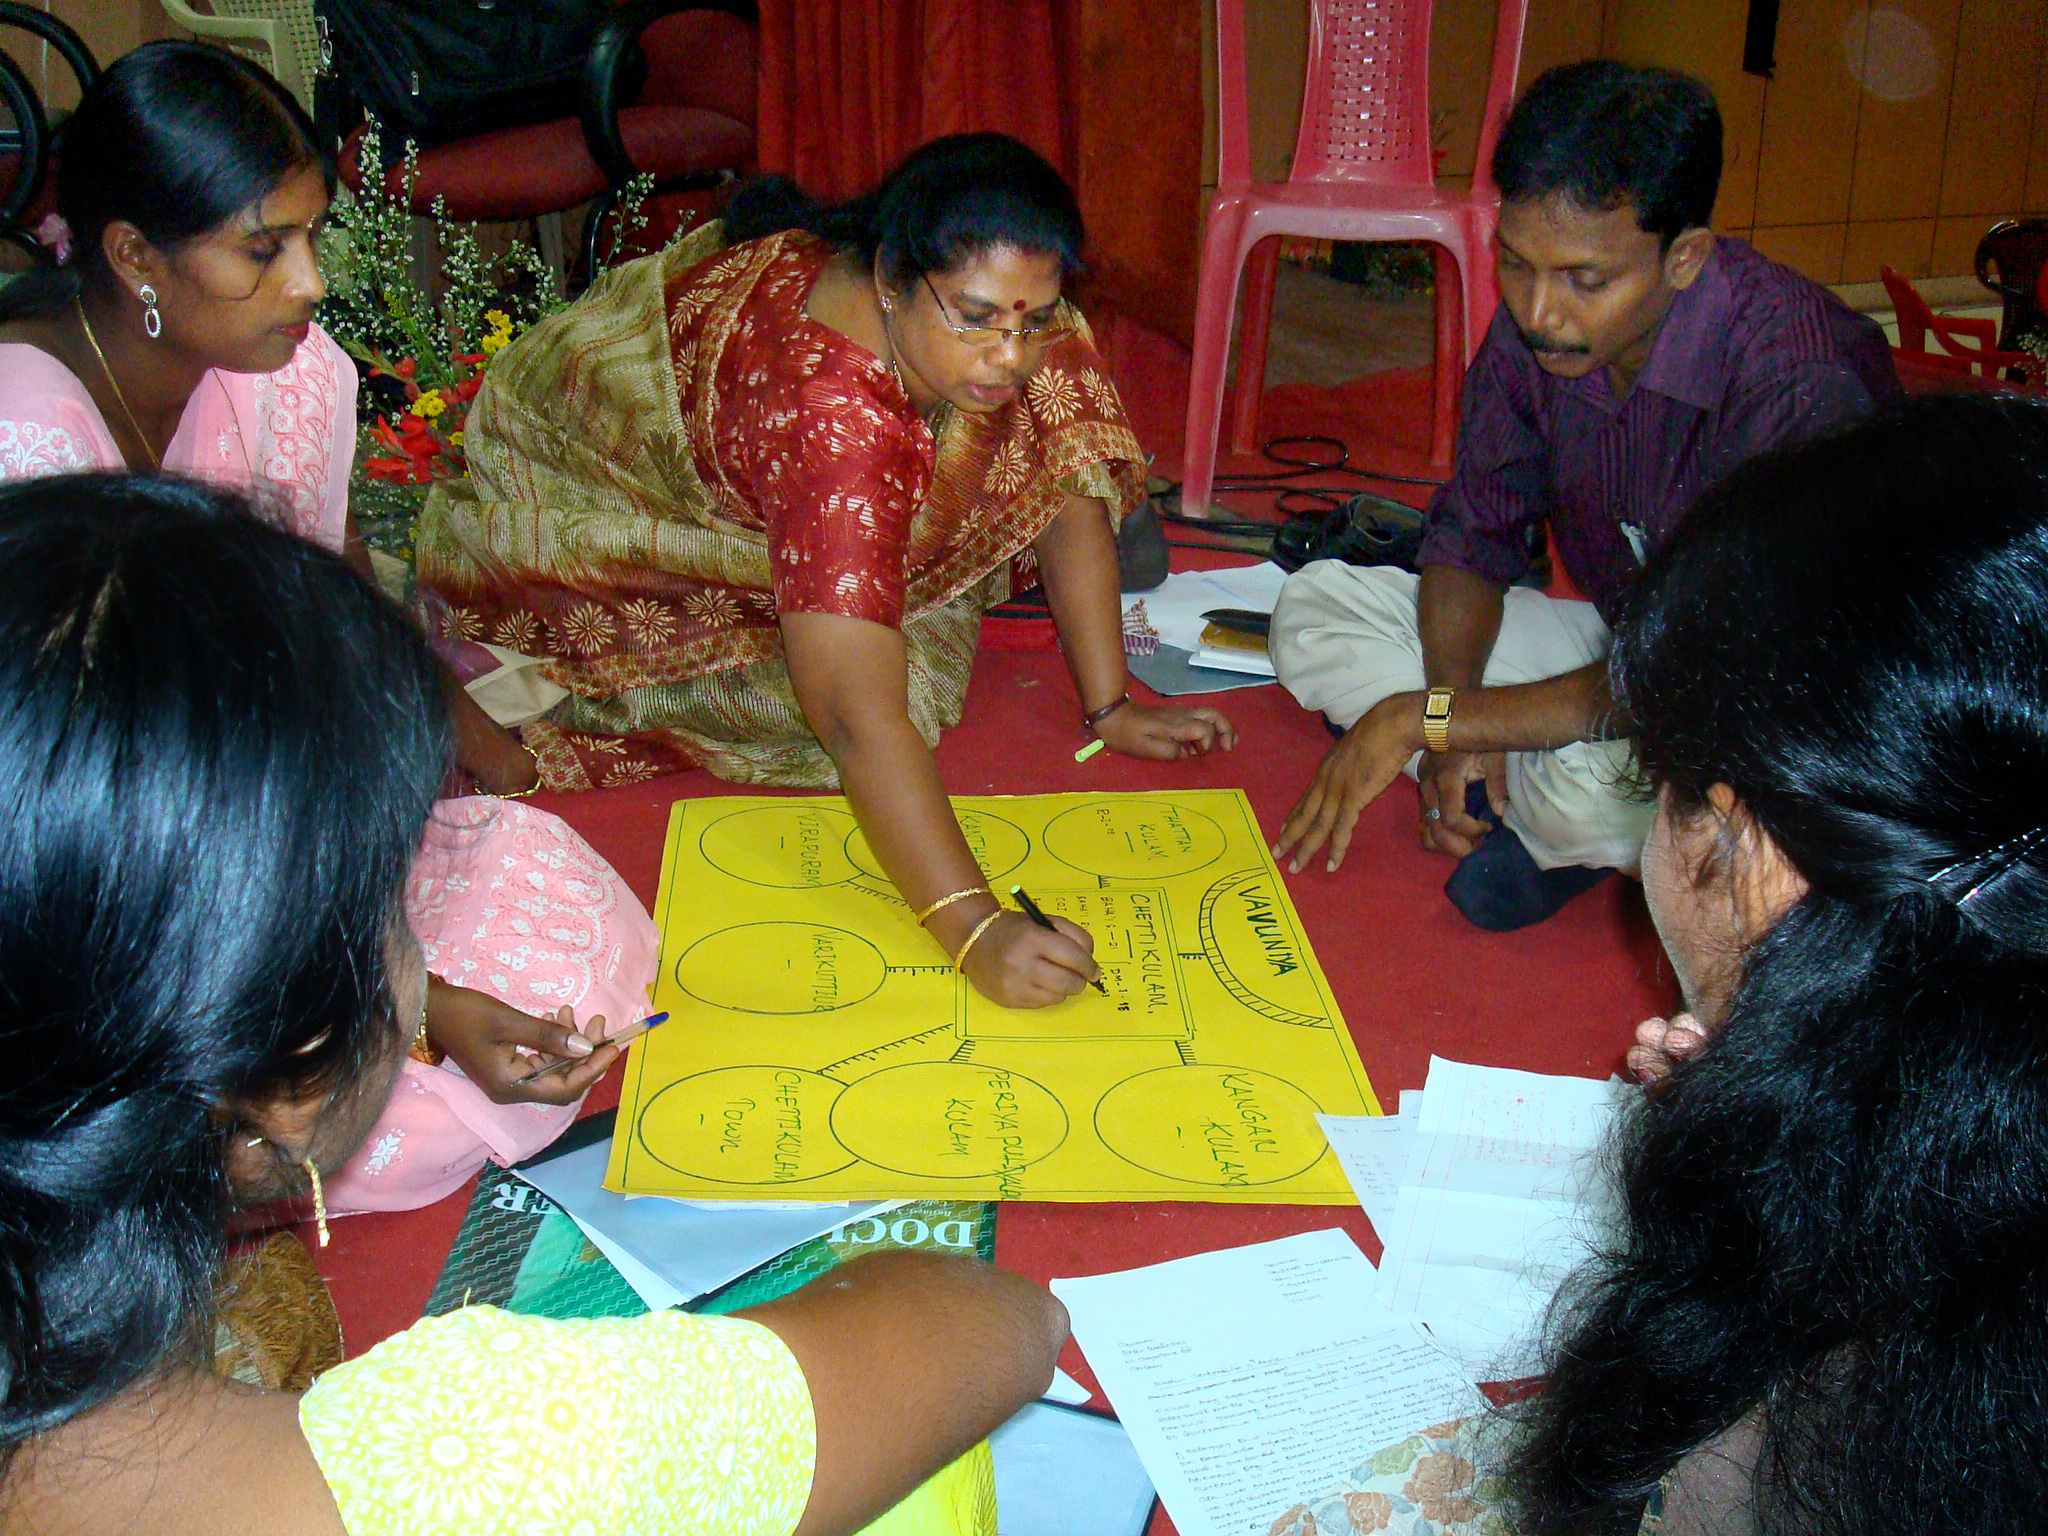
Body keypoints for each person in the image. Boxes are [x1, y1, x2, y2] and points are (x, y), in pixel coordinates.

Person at [0, 470, 1066, 1536]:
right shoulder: (473, 1468)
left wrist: (432, 1010)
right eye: (393, 894)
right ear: (281, 1086)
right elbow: (995, 1326)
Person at [0, 41, 659, 1213]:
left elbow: (333, 598)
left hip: (261, 845)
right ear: (134, 257)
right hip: (99, 911)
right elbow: (114, 844)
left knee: (558, 918)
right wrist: (391, 1006)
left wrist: (446, 728)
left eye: (313, 236)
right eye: (264, 250)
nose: (308, 282)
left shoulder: (284, 378)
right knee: (334, 1126)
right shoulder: (23, 445)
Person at [418, 133, 1236, 1008]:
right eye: (978, 317)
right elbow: (852, 719)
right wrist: (975, 928)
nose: (1011, 353)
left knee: (1020, 424)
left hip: (784, 434)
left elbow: (1061, 461)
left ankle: (863, 576)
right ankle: (467, 685)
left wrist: (1109, 706)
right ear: (891, 274)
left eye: (1030, 320)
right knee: (899, 698)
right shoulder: (832, 420)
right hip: (601, 479)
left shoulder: (1005, 308)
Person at [1503, 391, 2048, 1532]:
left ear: (1751, 855)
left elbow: (1629, 1463)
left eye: (1660, 784)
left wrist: (1733, 1217)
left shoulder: (1841, 1442)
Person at [1267, 61, 1900, 932]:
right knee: (1314, 608)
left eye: (1584, 281)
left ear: (1685, 258)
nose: (1540, 312)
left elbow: (1712, 667)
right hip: (1628, 651)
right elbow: (1473, 537)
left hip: (1774, 713)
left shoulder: (1797, 382)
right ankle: (1525, 795)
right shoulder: (1538, 329)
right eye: (1516, 264)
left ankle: (1558, 814)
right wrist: (1457, 711)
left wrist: (1431, 720)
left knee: (1625, 801)